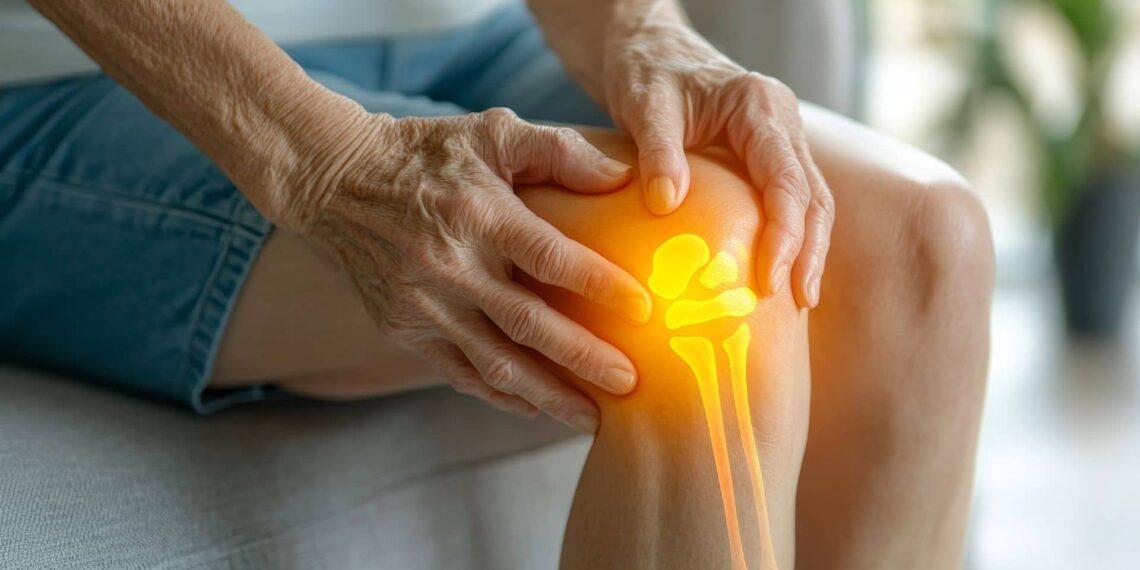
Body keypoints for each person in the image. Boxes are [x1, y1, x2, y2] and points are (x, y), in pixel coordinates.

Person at [0, 0, 994, 567]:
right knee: (687, 296)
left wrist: (636, 26)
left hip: (458, 28)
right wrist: (321, 161)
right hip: (67, 74)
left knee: (924, 246)